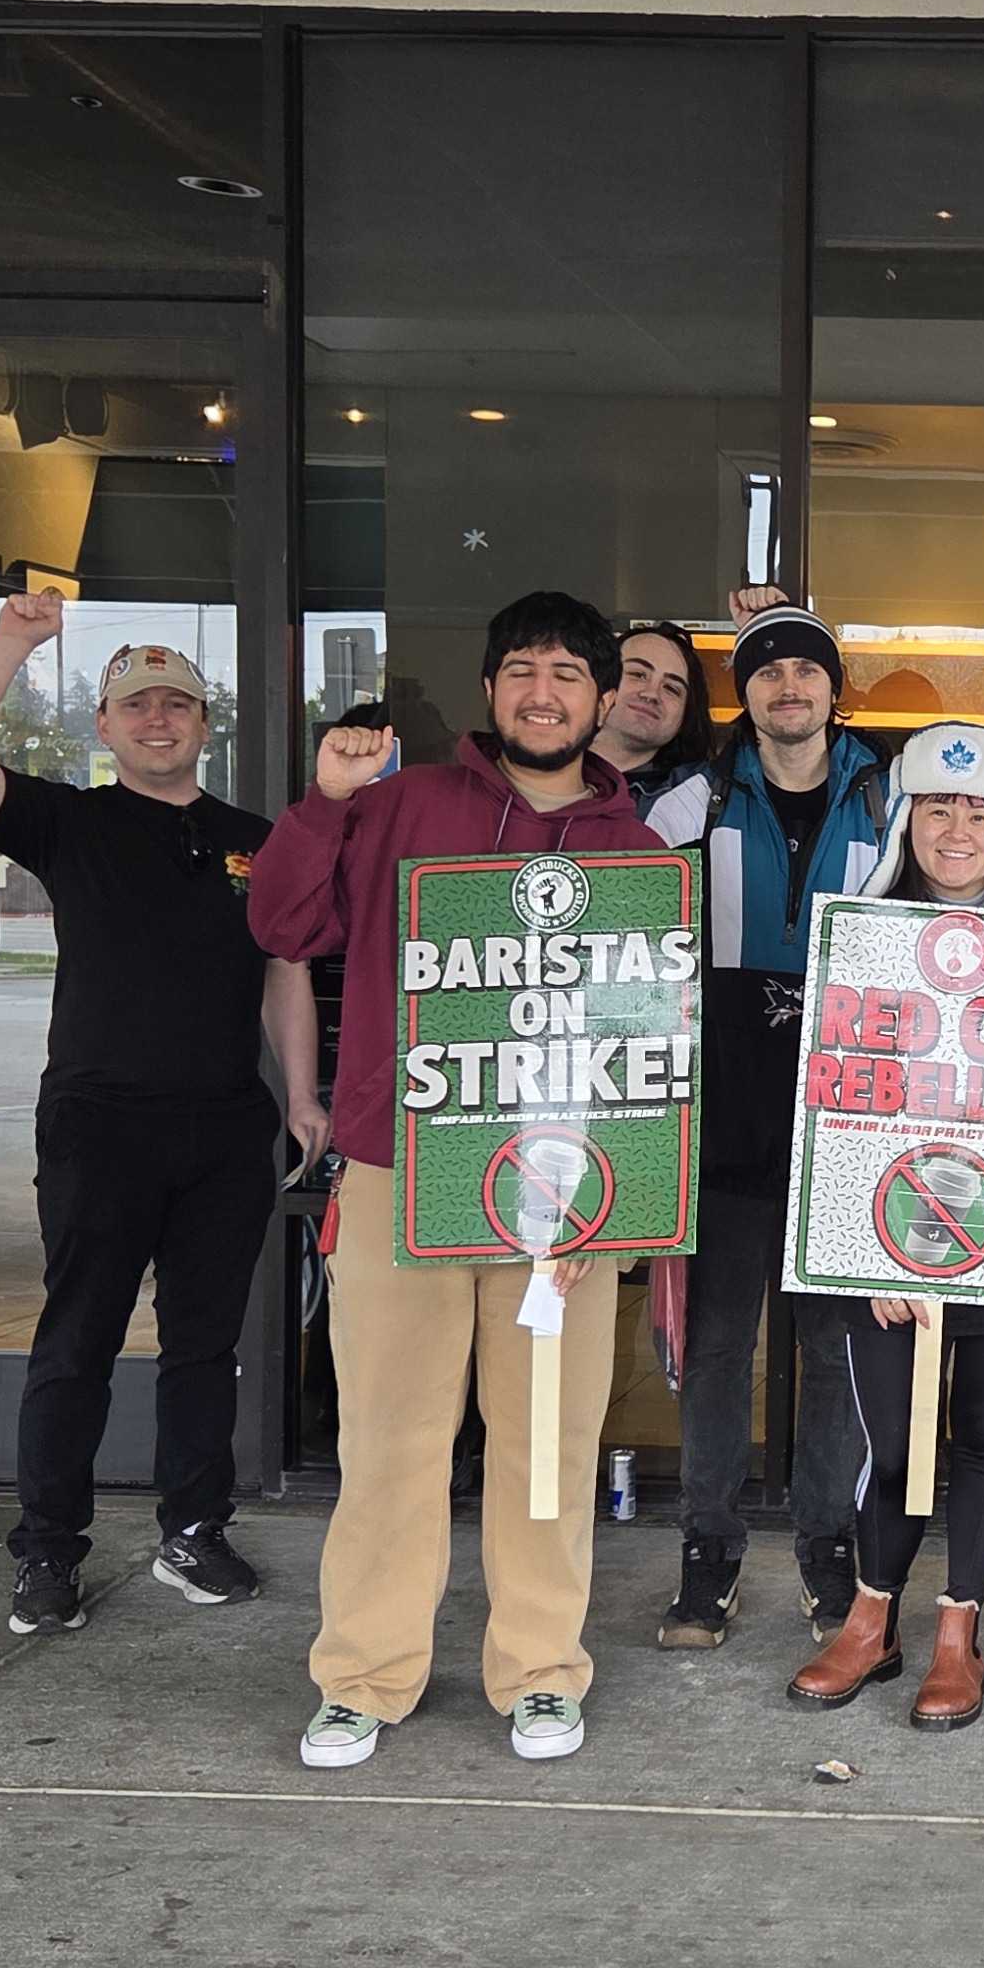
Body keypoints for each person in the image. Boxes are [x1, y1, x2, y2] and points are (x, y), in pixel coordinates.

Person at [252, 590, 652, 1771]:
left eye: (568, 675)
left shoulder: (636, 851)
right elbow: (279, 920)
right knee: (390, 1440)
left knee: (546, 1442)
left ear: (602, 697)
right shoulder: (400, 806)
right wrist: (324, 801)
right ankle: (363, 1675)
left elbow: (642, 1044)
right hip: (400, 1171)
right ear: (490, 690)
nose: (544, 693)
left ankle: (539, 1672)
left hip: (562, 1199)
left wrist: (614, 1193)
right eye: (522, 669)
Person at [0, 599, 323, 1637]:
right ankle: (46, 1550)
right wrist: (12, 643)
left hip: (226, 1125)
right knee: (75, 1343)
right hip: (100, 1123)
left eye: (177, 702)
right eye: (136, 705)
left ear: (205, 721)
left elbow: (286, 972)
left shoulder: (249, 841)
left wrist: (303, 1094)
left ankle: (193, 1530)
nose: (158, 720)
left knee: (203, 1347)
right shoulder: (65, 820)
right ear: (105, 725)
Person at [793, 724, 984, 1729]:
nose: (959, 829)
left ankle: (960, 1634)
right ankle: (871, 1621)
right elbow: (831, 1098)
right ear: (907, 820)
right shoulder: (857, 940)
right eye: (940, 808)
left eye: (981, 810)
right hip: (889, 1246)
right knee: (891, 1439)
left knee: (979, 1437)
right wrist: (866, 1247)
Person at [640, 605, 889, 1648]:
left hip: (847, 1118)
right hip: (722, 1115)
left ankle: (829, 1546)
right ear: (746, 693)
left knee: (834, 1353)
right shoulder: (686, 800)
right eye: (770, 671)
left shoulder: (890, 796)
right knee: (715, 1351)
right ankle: (709, 1547)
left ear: (837, 691)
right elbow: (622, 937)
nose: (791, 686)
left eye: (808, 670)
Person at [592, 615, 715, 820]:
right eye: (638, 674)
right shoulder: (530, 776)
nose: (651, 694)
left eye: (671, 688)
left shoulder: (701, 799)